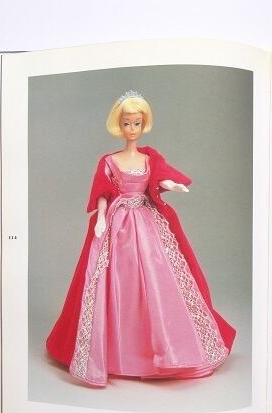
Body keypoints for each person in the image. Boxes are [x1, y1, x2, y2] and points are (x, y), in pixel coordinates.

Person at [46, 91, 235, 386]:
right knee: (117, 280)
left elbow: (158, 179)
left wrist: (172, 184)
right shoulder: (109, 161)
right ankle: (117, 352)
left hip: (147, 223)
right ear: (118, 124)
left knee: (159, 278)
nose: (131, 129)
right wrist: (100, 218)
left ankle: (166, 348)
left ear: (143, 123)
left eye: (136, 123)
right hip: (118, 224)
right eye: (127, 123)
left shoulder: (149, 158)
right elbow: (103, 193)